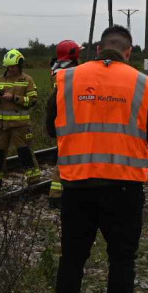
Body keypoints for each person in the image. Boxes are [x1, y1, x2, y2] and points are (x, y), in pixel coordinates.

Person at [44, 25, 148, 293]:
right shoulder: (142, 84)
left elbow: (49, 128)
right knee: (121, 260)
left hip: (77, 184)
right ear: (129, 52)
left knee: (72, 259)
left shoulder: (66, 81)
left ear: (97, 50)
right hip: (124, 186)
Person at [0, 49, 41, 192]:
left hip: (20, 126)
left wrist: (14, 98)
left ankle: (34, 182)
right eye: (8, 66)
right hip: (0, 126)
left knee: (25, 153)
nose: (10, 69)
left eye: (13, 66)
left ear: (20, 65)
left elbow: (33, 101)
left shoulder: (27, 80)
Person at [47, 40, 83, 208]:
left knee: (64, 156)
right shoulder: (72, 72)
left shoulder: (56, 69)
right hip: (72, 119)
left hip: (62, 119)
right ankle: (56, 197)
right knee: (65, 159)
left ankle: (59, 193)